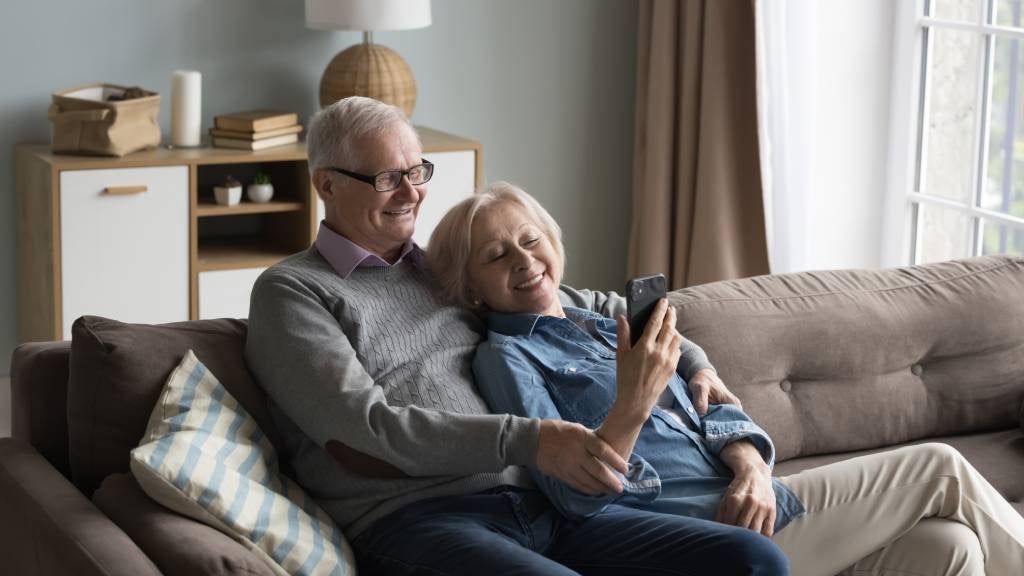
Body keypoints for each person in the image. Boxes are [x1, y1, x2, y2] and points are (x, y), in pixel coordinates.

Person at [245, 96, 789, 575]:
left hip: (540, 506)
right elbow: (362, 435)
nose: (410, 193)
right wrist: (530, 440)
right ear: (326, 184)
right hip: (420, 520)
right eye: (386, 178)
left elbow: (587, 306)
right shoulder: (294, 291)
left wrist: (698, 365)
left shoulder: (440, 271)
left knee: (752, 558)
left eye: (417, 172)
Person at [425, 181, 1024, 576]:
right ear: (471, 287)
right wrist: (632, 403)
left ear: (554, 243)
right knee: (938, 466)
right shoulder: (505, 360)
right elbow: (571, 496)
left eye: (530, 241)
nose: (524, 261)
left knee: (950, 551)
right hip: (706, 528)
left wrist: (752, 463)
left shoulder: (605, 320)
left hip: (749, 493)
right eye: (497, 255)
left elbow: (709, 395)